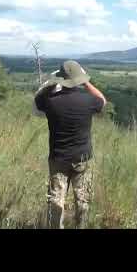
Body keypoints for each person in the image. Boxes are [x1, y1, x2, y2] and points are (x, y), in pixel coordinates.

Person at [33, 60, 107, 229]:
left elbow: (38, 99)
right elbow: (102, 100)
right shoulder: (88, 101)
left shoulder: (51, 102)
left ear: (62, 79)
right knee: (82, 199)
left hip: (58, 158)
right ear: (78, 79)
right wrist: (86, 82)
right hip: (82, 158)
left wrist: (53, 82)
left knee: (56, 198)